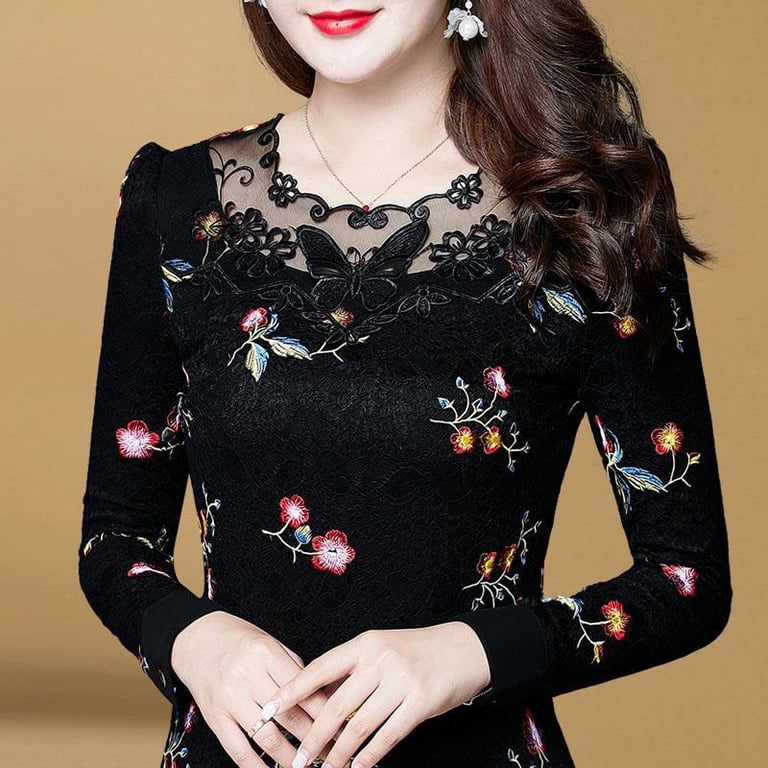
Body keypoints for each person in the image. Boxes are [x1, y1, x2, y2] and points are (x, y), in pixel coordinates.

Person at [78, 1, 732, 767]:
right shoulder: (175, 199)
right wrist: (196, 640)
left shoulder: (583, 203)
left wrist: (470, 655)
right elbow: (114, 541)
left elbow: (685, 579)